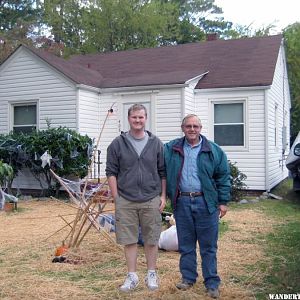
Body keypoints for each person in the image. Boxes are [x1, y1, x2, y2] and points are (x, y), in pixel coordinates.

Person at [164, 114, 231, 299]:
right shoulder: (171, 149)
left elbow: (223, 176)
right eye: (188, 126)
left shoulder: (214, 150)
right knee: (186, 245)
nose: (192, 129)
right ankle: (188, 278)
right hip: (182, 202)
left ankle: (212, 283)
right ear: (182, 128)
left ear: (200, 128)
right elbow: (156, 165)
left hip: (206, 202)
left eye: (195, 126)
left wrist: (223, 202)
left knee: (208, 246)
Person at [106, 103, 166, 292]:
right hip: (126, 199)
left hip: (150, 198)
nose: (138, 120)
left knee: (151, 239)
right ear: (129, 119)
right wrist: (117, 198)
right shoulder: (117, 143)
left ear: (146, 119)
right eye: (134, 117)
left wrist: (163, 196)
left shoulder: (156, 143)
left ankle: (151, 274)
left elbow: (163, 172)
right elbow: (111, 172)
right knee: (129, 239)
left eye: (141, 117)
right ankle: (132, 276)